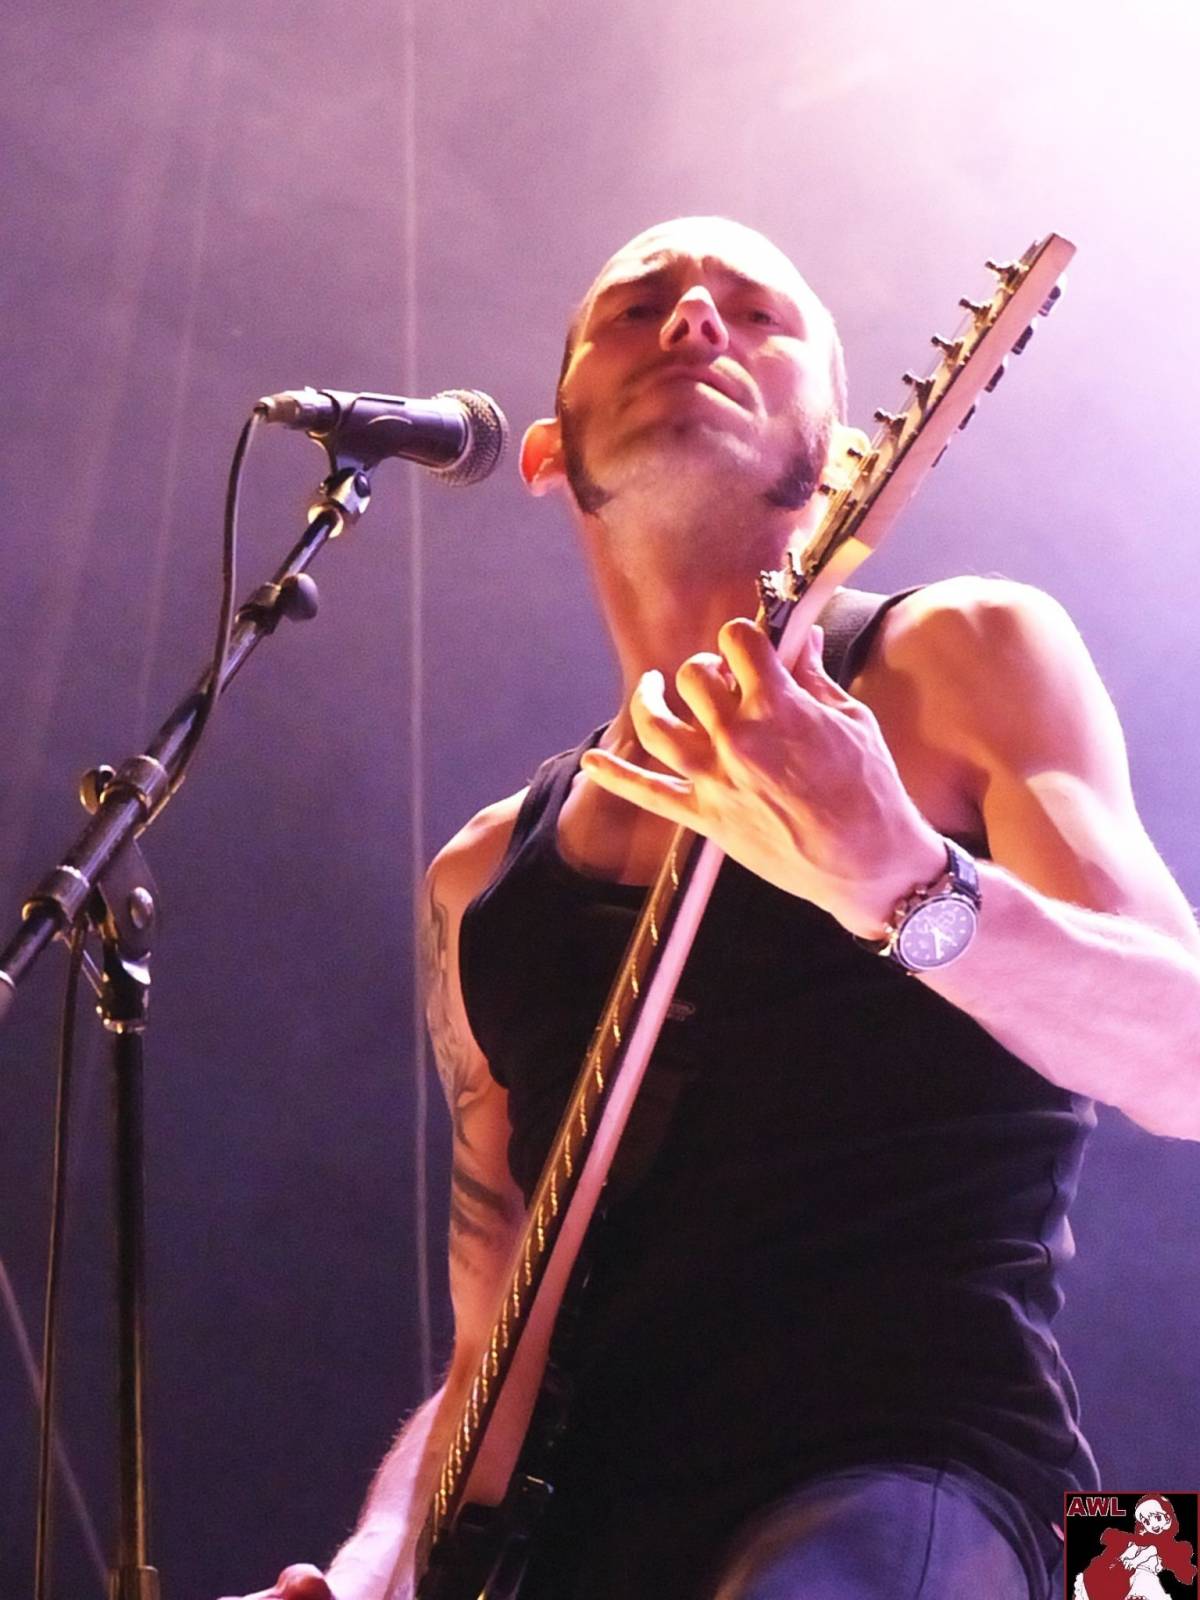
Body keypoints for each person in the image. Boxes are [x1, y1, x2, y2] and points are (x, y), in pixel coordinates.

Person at [227, 217, 1200, 1600]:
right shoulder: (480, 878)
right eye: (637, 310)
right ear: (549, 454)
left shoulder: (958, 653)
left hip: (933, 1481)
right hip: (595, 1539)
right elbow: (497, 1340)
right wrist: (382, 1550)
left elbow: (1188, 1062)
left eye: (756, 314)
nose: (693, 320)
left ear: (844, 448)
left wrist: (897, 878)